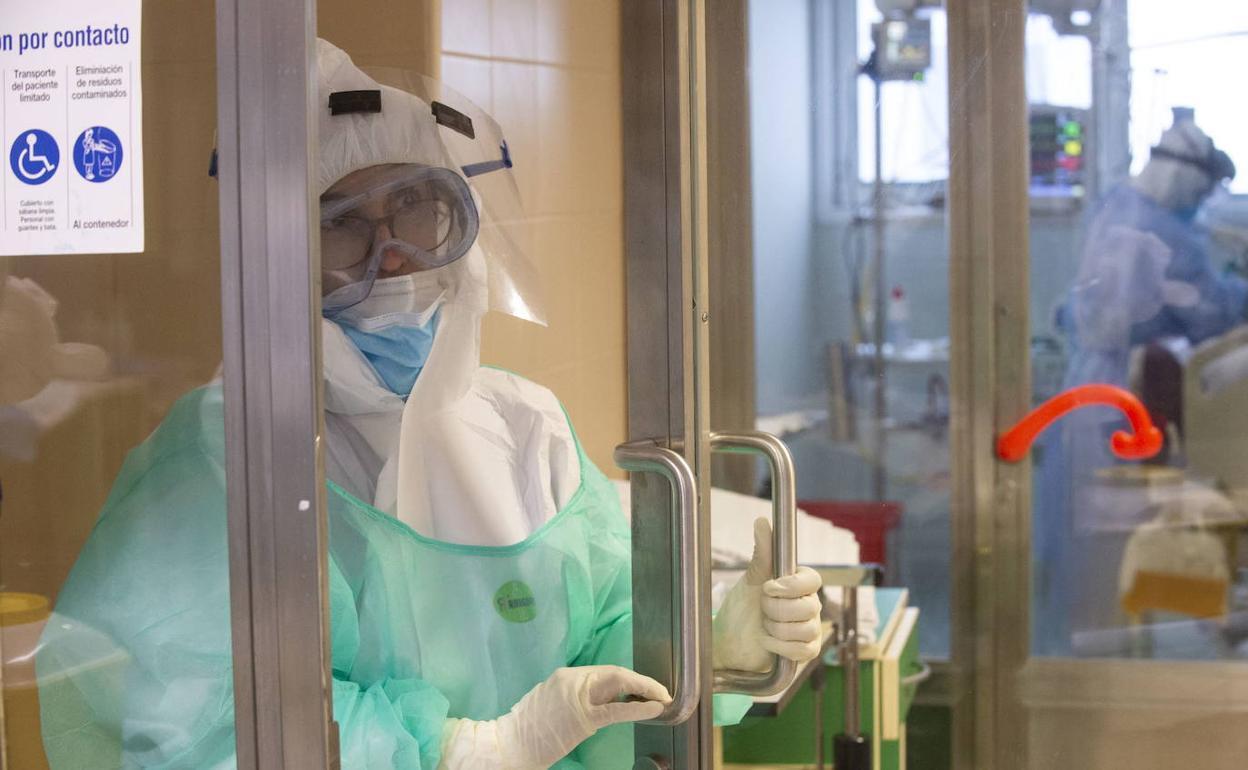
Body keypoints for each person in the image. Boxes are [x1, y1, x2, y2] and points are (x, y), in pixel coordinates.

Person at [35, 40, 823, 769]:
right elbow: (200, 717)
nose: (396, 251)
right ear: (279, 253)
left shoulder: (526, 426)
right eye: (343, 224)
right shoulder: (225, 455)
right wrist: (466, 749)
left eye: (416, 205)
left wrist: (713, 642)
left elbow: (613, 628)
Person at [1034, 114, 1244, 653]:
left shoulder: (1114, 205)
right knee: (1117, 538)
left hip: (1085, 393)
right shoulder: (1168, 231)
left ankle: (1083, 642)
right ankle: (1107, 649)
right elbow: (1212, 315)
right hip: (1119, 403)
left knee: (1077, 533)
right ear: (1188, 178)